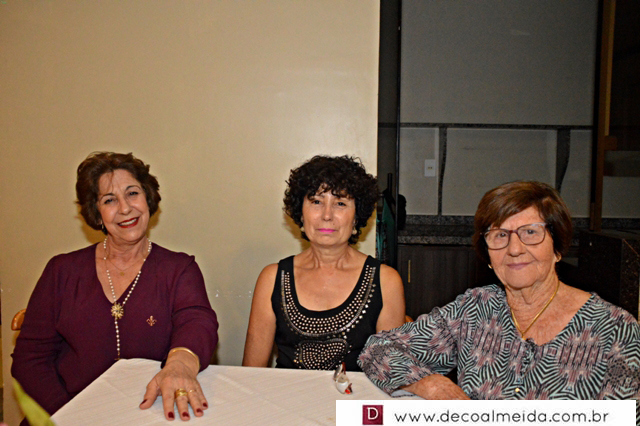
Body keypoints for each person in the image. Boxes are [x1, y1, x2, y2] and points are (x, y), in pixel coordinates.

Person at [359, 181, 640, 401]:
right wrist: (431, 384)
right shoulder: (474, 310)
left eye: (531, 232)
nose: (514, 249)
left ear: (557, 247)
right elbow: (378, 350)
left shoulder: (615, 328)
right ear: (489, 256)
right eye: (500, 235)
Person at [12, 152, 219, 422]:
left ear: (148, 199)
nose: (125, 208)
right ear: (96, 213)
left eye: (132, 193)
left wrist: (180, 365)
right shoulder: (61, 271)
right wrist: (71, 415)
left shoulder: (179, 269)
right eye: (109, 200)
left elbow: (197, 321)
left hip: (148, 414)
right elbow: (30, 359)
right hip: (64, 414)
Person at [242, 155, 405, 371]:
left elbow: (392, 375)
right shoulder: (272, 278)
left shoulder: (386, 281)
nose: (327, 215)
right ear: (301, 213)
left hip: (355, 394)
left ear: (356, 218)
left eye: (340, 203)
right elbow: (252, 373)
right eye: (316, 202)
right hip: (288, 394)